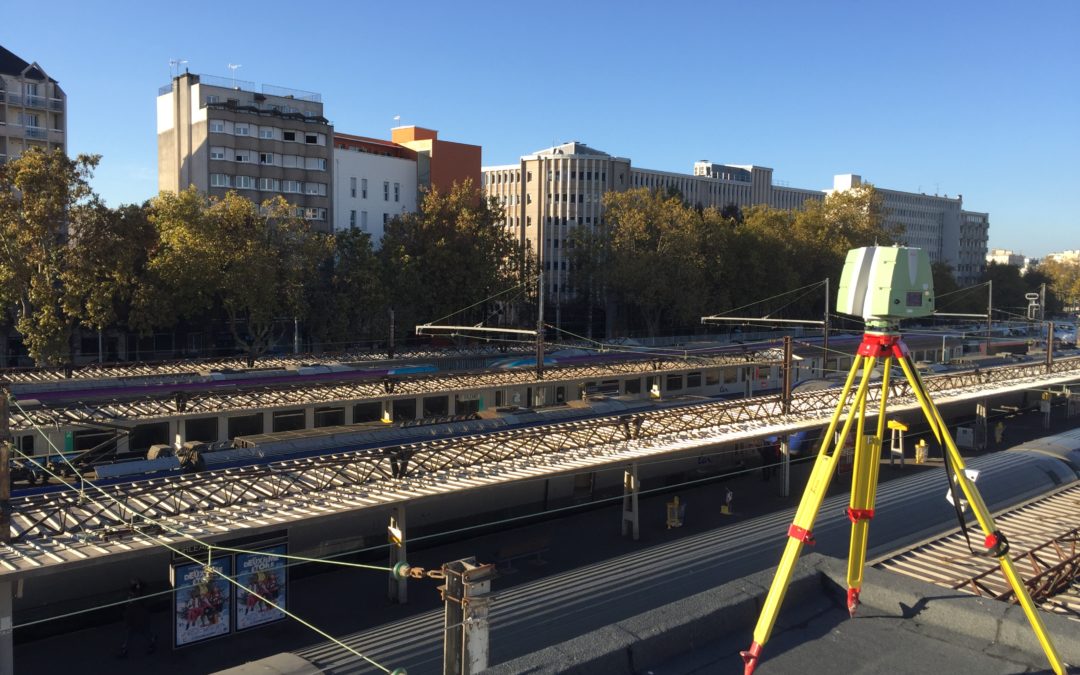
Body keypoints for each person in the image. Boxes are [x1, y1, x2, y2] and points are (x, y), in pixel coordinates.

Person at [117, 578, 157, 657]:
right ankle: (152, 640)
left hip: (137, 620)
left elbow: (129, 610)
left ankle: (151, 641)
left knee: (137, 633)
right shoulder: (137, 596)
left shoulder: (135, 597)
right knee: (140, 633)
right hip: (140, 619)